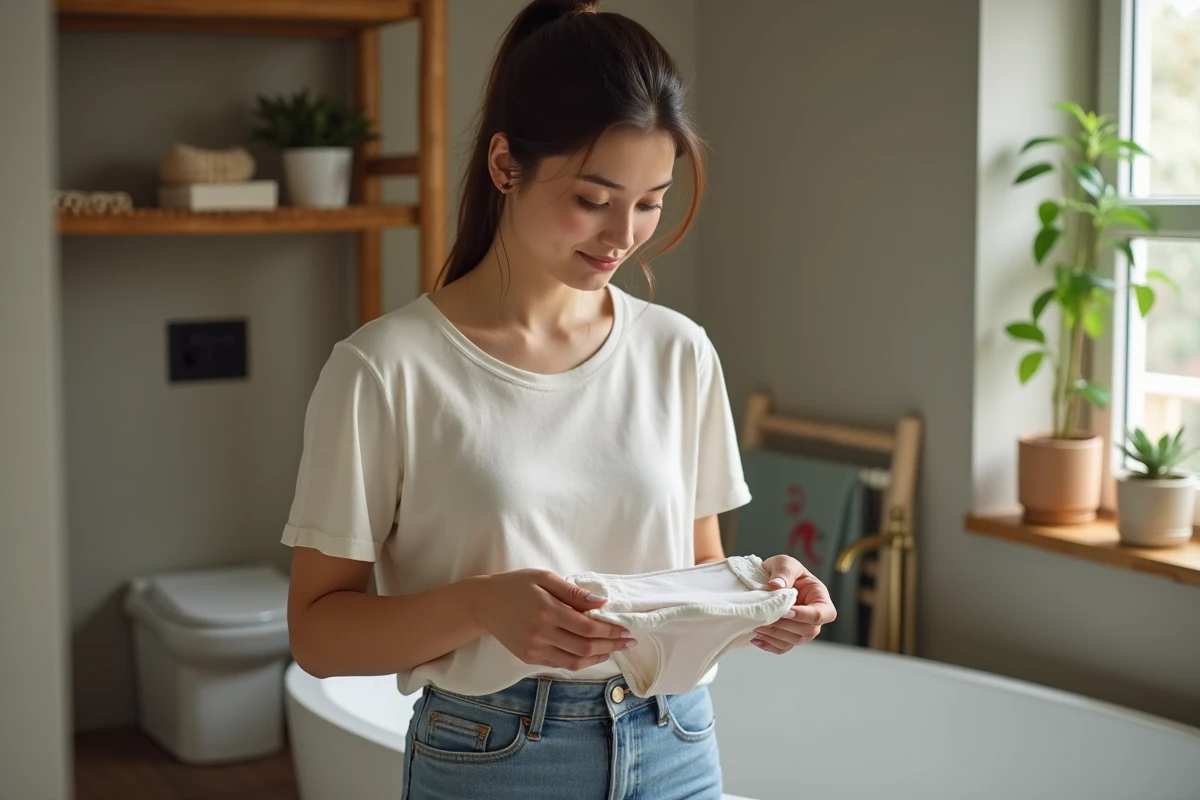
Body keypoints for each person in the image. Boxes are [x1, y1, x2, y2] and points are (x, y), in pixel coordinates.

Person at [281, 1, 836, 797]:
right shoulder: (385, 369)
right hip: (494, 755)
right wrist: (481, 607)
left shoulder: (679, 352)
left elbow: (693, 574)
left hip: (675, 741)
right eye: (593, 198)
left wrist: (758, 598)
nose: (623, 234)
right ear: (506, 165)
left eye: (650, 201)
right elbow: (319, 633)